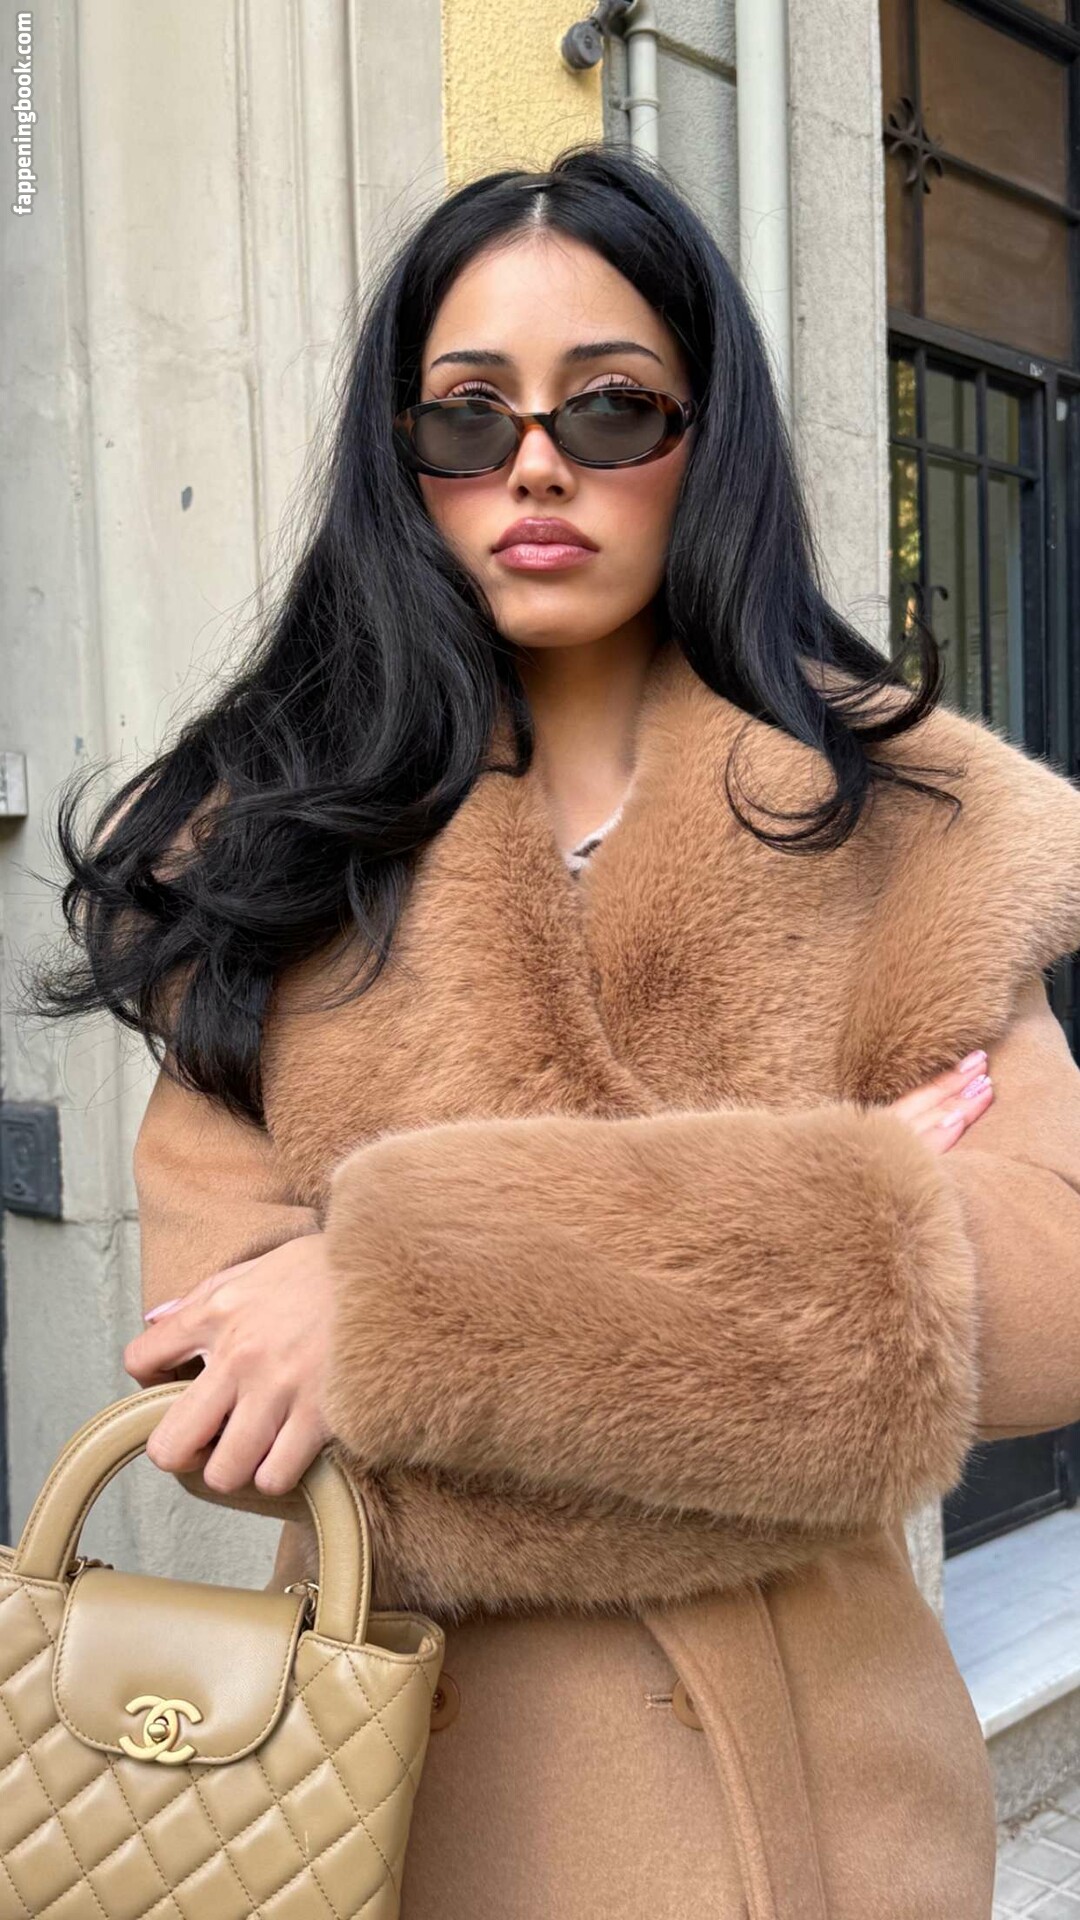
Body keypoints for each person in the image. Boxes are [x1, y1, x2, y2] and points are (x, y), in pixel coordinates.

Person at [28, 141, 1080, 1919]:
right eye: (466, 416)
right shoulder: (267, 845)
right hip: (418, 1815)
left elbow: (1046, 1311)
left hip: (825, 1823)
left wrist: (395, 1302)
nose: (534, 464)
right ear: (403, 459)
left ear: (705, 439)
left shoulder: (906, 819)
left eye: (609, 409)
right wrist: (838, 1229)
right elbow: (229, 1405)